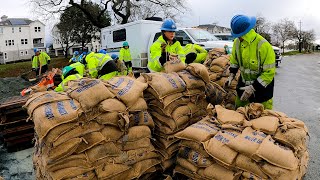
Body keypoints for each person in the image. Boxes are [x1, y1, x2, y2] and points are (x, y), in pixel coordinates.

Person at [227, 15, 276, 109]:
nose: (237, 38)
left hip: (262, 91)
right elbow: (234, 60)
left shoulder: (264, 45)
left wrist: (253, 88)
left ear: (244, 33)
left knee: (263, 120)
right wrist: (232, 74)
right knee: (239, 116)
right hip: (243, 87)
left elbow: (269, 73)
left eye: (239, 35)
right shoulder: (237, 43)